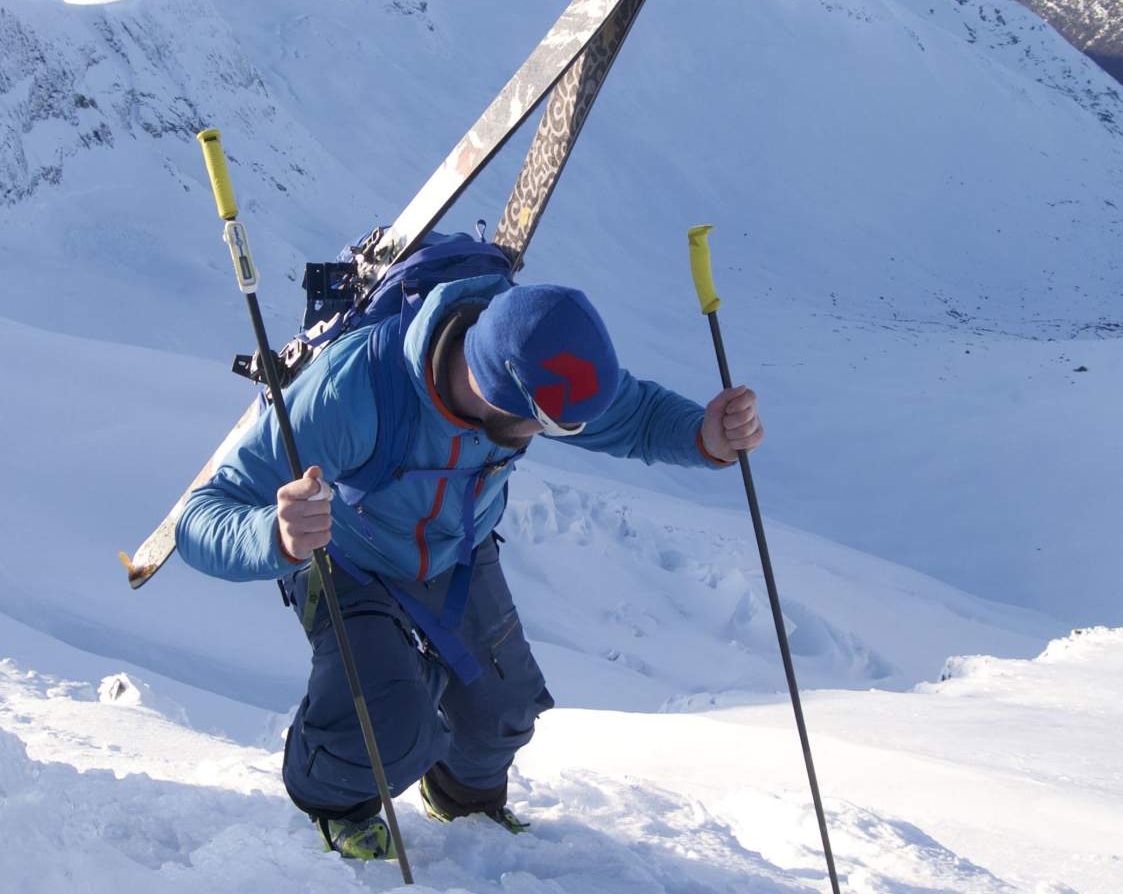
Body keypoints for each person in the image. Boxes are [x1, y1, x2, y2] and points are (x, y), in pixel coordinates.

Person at [176, 273, 765, 860]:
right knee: (388, 723)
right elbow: (199, 517)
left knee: (504, 710)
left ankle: (461, 800)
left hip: (457, 550)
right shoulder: (348, 396)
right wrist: (275, 534)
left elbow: (629, 415)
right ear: (500, 392)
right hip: (347, 557)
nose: (554, 437)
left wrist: (702, 435)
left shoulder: (532, 363)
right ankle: (337, 803)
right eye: (552, 425)